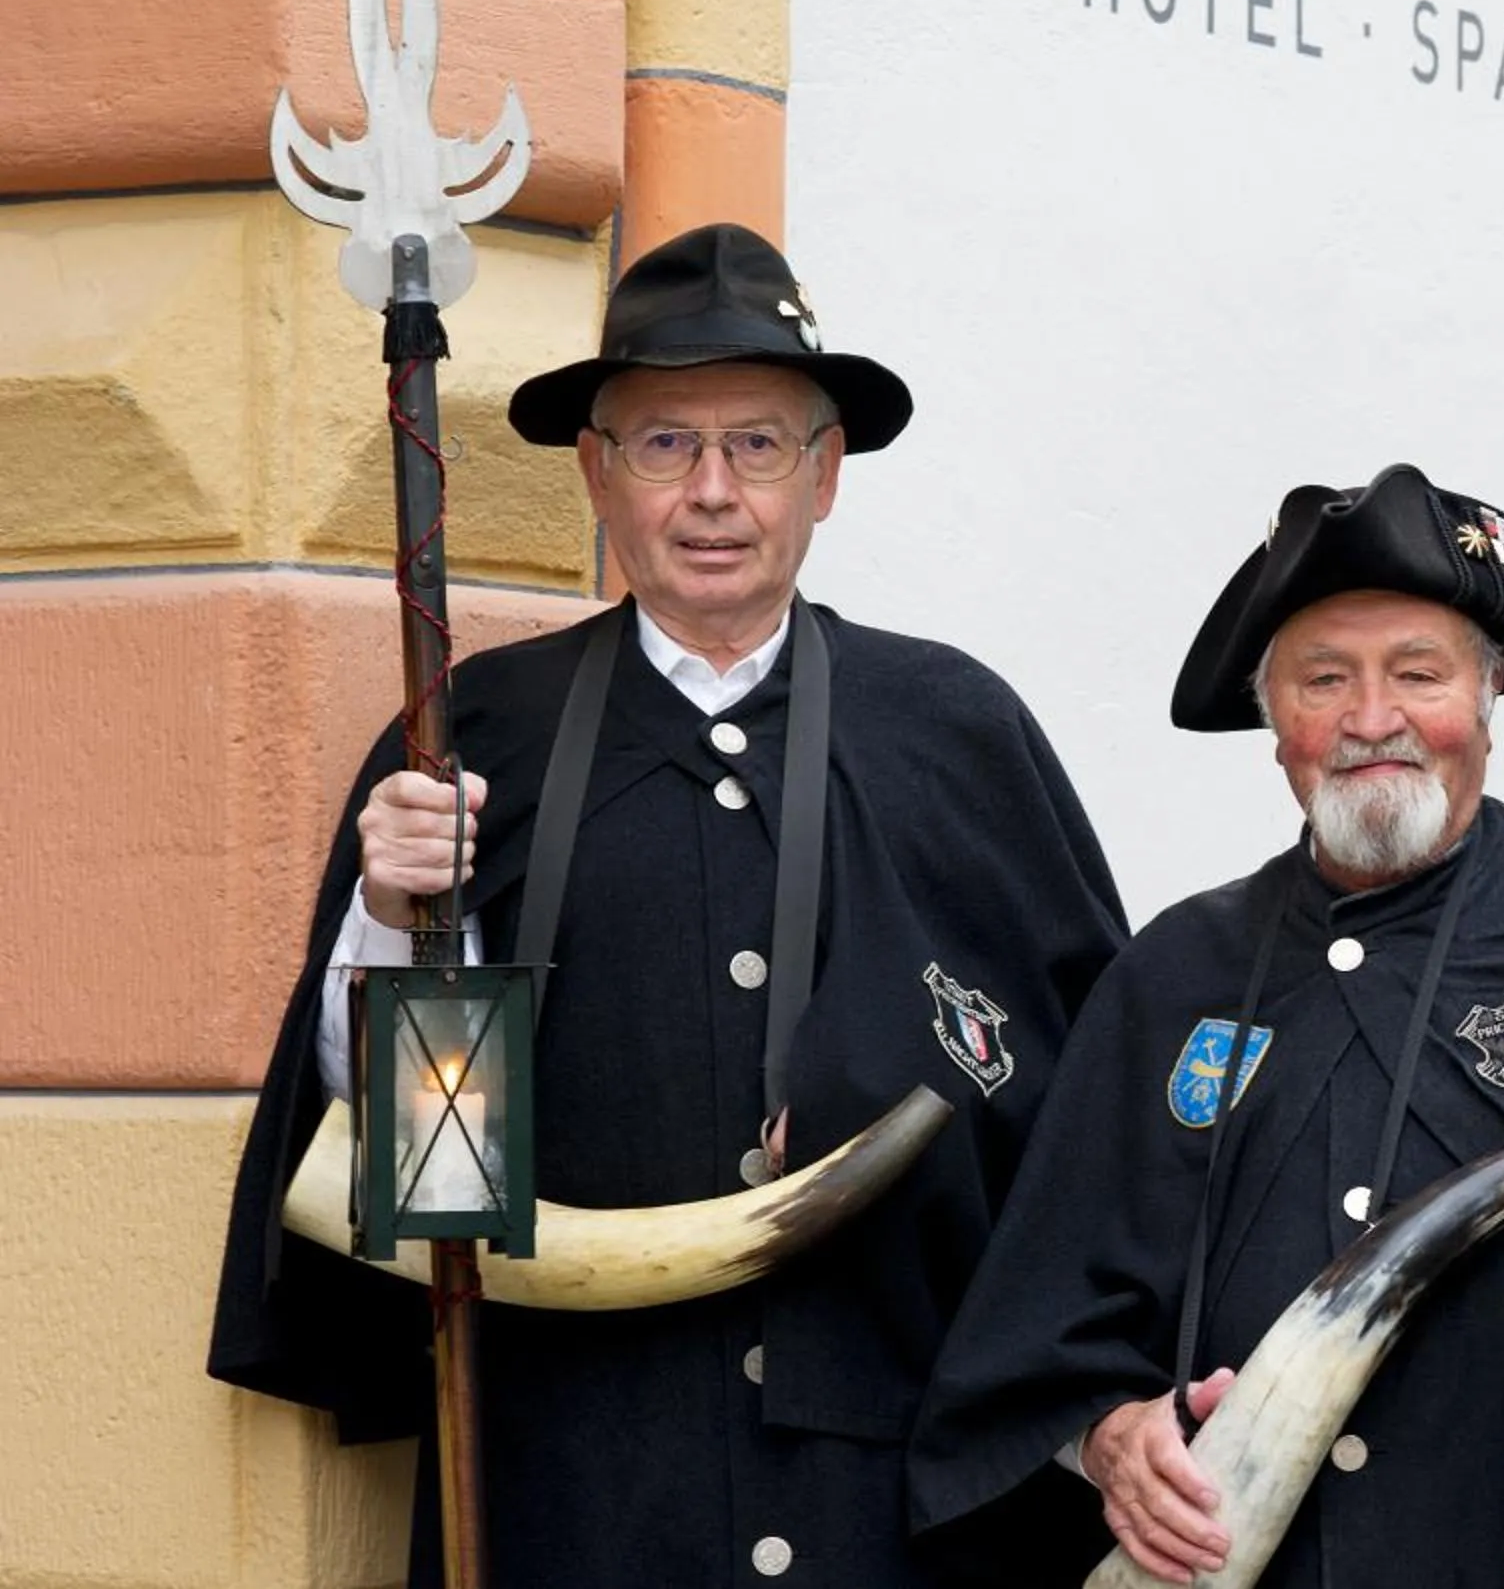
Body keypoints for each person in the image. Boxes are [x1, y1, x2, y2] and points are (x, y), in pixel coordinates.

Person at [207, 223, 1129, 1586]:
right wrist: (394, 927)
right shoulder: (472, 744)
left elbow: (1094, 1136)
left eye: (759, 446)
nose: (713, 493)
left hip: (898, 1504)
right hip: (566, 1491)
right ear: (596, 472)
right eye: (662, 445)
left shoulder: (960, 734)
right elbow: (413, 1189)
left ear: (825, 478)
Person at [909, 463, 1504, 1586]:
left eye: (1416, 673)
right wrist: (1102, 1435)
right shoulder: (1172, 976)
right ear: (1270, 716)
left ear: (1488, 696)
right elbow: (1037, 1324)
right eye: (1324, 678)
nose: (1371, 719)